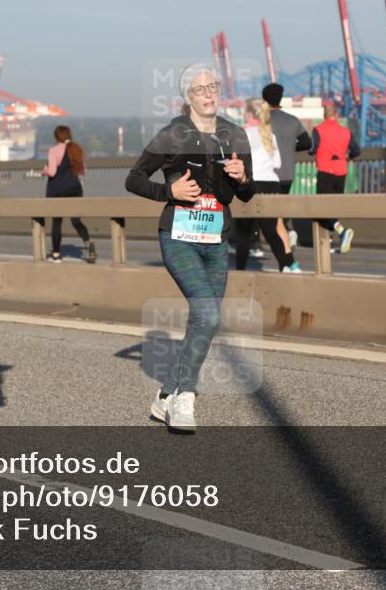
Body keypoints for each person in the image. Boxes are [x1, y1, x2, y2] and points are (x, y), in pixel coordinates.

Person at [125, 63, 252, 432]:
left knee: (202, 320)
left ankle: (165, 395)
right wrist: (170, 192)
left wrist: (243, 178)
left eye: (212, 86)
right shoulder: (172, 135)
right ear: (187, 98)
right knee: (209, 316)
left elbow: (246, 194)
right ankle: (187, 398)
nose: (208, 94)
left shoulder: (235, 134)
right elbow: (133, 179)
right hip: (179, 238)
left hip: (216, 241)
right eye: (199, 90)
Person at [234, 98, 297, 272]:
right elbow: (276, 163)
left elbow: (237, 162)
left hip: (251, 184)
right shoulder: (270, 135)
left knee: (243, 233)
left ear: (247, 114)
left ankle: (240, 270)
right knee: (271, 231)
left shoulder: (242, 134)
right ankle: (286, 264)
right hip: (272, 186)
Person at [262, 82, 312, 252]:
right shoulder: (293, 120)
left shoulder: (262, 122)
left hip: (267, 174)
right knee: (281, 204)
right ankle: (289, 231)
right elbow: (307, 143)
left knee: (265, 210)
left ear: (264, 99)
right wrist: (291, 147)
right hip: (288, 173)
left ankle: (281, 243)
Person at [42, 125, 97, 263]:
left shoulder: (54, 150)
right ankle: (89, 247)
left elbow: (53, 172)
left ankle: (56, 255)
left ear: (56, 136)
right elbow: (82, 171)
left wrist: (45, 170)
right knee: (76, 221)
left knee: (57, 222)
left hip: (58, 189)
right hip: (75, 188)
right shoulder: (76, 149)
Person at [310, 103, 360, 254]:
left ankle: (342, 231)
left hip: (325, 171)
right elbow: (356, 151)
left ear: (324, 115)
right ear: (336, 115)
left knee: (322, 207)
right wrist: (347, 156)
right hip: (341, 171)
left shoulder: (318, 130)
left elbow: (312, 148)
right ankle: (330, 242)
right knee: (333, 206)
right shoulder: (346, 132)